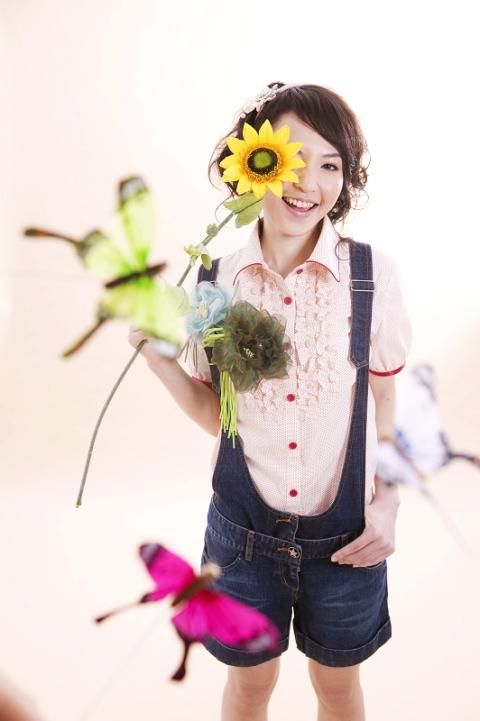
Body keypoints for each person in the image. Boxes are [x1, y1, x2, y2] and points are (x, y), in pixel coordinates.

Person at [129, 82, 412, 721]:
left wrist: (389, 501)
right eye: (292, 157)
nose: (310, 182)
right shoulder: (214, 283)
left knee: (338, 691)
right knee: (249, 689)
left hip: (348, 543)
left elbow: (387, 401)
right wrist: (158, 358)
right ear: (254, 162)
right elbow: (218, 417)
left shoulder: (371, 276)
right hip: (241, 542)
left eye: (331, 164)